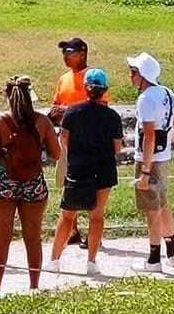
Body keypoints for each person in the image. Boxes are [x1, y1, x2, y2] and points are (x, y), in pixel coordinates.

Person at [0, 76, 60, 291]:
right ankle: (34, 285)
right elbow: (57, 153)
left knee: (2, 237)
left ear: (7, 96)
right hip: (33, 182)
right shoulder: (42, 122)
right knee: (33, 237)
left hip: (3, 183)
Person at [48, 68, 123, 276]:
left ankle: (54, 260)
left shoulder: (72, 112)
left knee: (67, 215)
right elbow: (117, 147)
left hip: (79, 168)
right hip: (104, 170)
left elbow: (64, 140)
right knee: (97, 216)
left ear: (86, 88)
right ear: (105, 90)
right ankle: (91, 261)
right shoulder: (112, 116)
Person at [127, 51, 174, 274]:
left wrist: (144, 171)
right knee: (163, 204)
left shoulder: (145, 99)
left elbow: (149, 136)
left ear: (142, 75)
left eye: (133, 72)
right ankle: (171, 253)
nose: (130, 76)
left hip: (149, 159)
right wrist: (171, 140)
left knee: (152, 209)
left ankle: (154, 258)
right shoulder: (166, 92)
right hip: (163, 157)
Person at [49, 37, 111, 250]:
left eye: (70, 51)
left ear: (82, 53)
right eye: (64, 52)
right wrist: (56, 111)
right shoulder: (63, 78)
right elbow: (57, 103)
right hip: (69, 141)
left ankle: (94, 234)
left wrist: (68, 111)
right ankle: (73, 230)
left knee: (91, 189)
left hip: (90, 143)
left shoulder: (94, 78)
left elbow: (99, 106)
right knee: (69, 186)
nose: (65, 56)